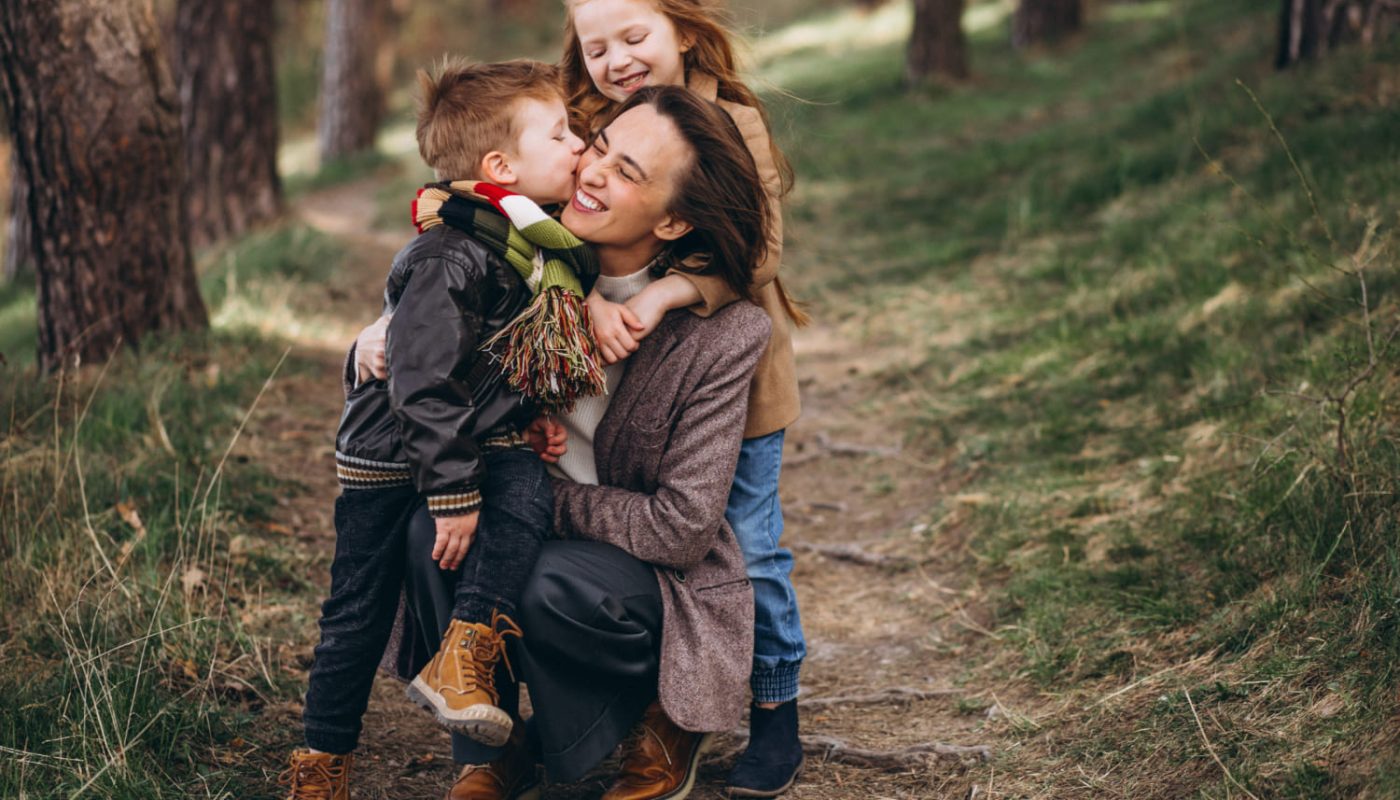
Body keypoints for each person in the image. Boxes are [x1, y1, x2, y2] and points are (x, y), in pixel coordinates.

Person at [376, 86, 772, 800]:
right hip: (521, 510)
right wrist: (374, 340)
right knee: (430, 534)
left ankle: (663, 717)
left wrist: (536, 500)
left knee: (536, 575)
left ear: (677, 218)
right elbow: (438, 245)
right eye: (599, 148)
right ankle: (489, 745)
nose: (592, 173)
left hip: (644, 577)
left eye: (629, 173)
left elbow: (681, 527)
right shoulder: (518, 259)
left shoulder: (723, 334)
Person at [281, 59, 589, 798]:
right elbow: (420, 378)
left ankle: (466, 653)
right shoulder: (453, 252)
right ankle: (322, 766)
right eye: (562, 133)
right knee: (356, 610)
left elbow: (487, 360)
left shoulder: (523, 248)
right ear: (500, 166)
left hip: (462, 437)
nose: (581, 144)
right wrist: (452, 493)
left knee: (523, 488)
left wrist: (530, 414)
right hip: (391, 457)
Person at [564, 1, 809, 795]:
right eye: (596, 46)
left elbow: (761, 249)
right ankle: (651, 703)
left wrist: (671, 291)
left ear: (685, 31)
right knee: (638, 527)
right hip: (641, 387)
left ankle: (776, 710)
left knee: (748, 546)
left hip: (737, 385)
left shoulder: (733, 119)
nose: (617, 60)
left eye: (635, 37)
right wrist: (584, 298)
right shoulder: (591, 122)